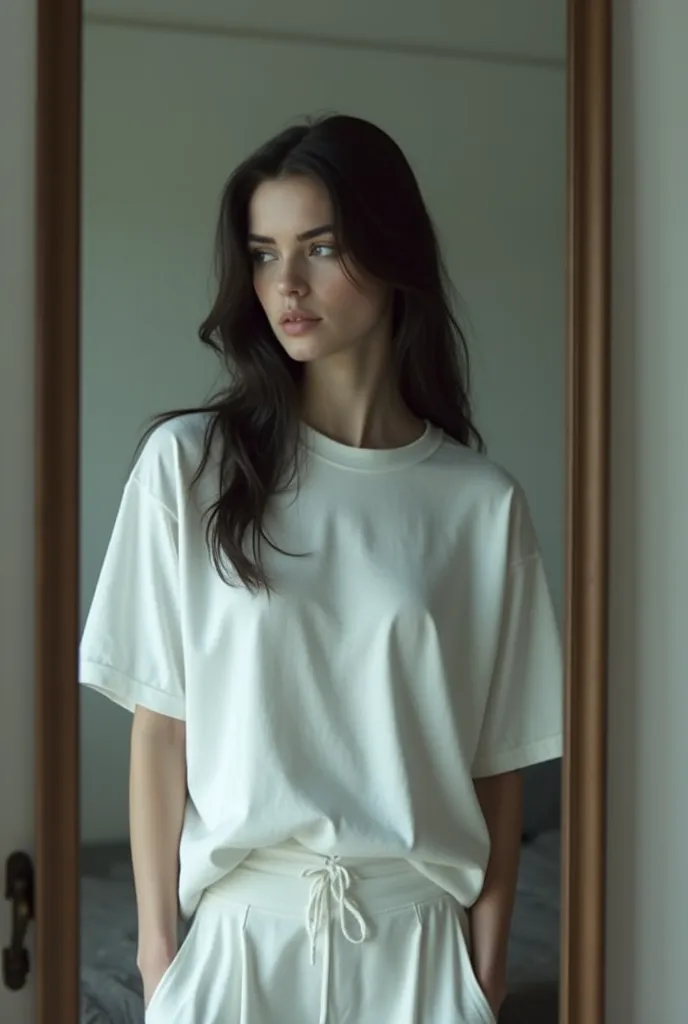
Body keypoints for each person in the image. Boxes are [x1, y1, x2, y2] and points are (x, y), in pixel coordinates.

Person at [79, 113, 563, 1024]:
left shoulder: (480, 504)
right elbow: (160, 728)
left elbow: (501, 761)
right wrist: (159, 958)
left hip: (419, 954)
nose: (285, 284)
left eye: (322, 247)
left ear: (392, 253)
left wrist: (484, 970)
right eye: (263, 253)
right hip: (236, 950)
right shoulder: (192, 467)